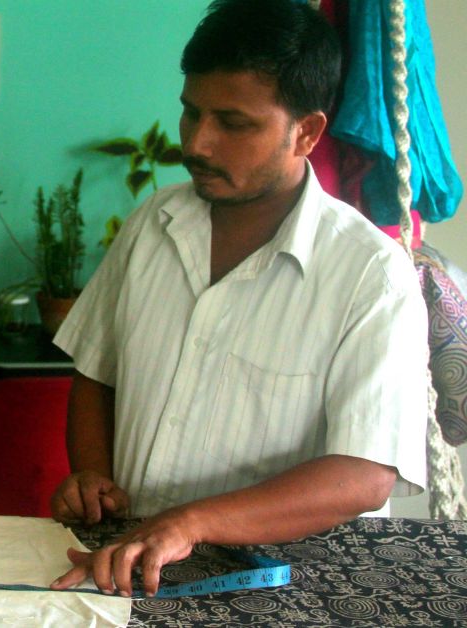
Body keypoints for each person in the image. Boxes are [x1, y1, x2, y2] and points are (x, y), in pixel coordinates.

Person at [48, 0, 428, 598]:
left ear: (306, 132)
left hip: (288, 586)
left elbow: (363, 474)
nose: (198, 142)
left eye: (234, 123)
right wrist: (93, 471)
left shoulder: (370, 275)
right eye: (191, 113)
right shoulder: (154, 223)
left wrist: (192, 522)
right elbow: (97, 372)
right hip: (131, 568)